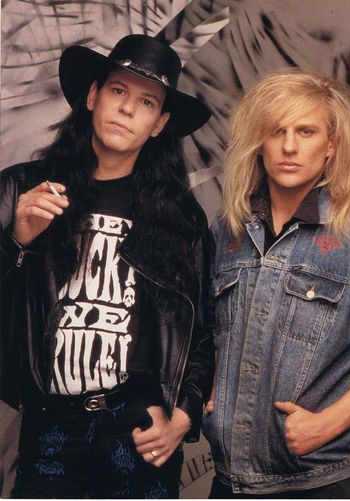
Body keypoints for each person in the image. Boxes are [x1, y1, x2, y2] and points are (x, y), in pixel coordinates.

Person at [203, 69, 350, 498]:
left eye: (306, 131)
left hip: (325, 482)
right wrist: (215, 389)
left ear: (331, 145)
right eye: (277, 131)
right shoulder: (229, 233)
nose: (290, 146)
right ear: (260, 143)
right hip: (231, 481)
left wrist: (325, 424)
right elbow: (211, 330)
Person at [0, 34, 214, 498]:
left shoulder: (182, 220)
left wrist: (184, 417)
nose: (127, 108)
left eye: (147, 101)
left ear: (160, 123)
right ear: (93, 96)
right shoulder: (20, 191)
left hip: (136, 432)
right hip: (50, 424)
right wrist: (14, 241)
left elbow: (202, 332)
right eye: (118, 91)